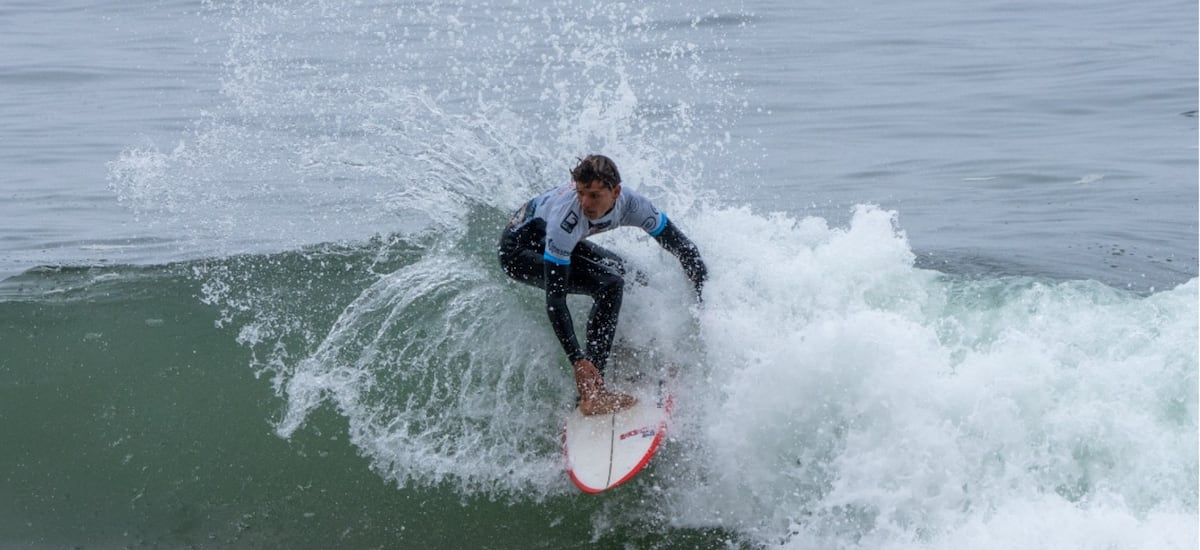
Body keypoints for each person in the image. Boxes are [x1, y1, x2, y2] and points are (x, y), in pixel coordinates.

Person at [498, 154, 707, 415]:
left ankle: (605, 343)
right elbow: (555, 300)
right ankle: (592, 394)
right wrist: (577, 359)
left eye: (594, 195)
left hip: (545, 237)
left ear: (615, 192)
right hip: (519, 250)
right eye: (581, 193)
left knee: (627, 271)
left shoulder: (634, 206)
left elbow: (684, 248)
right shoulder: (567, 221)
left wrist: (704, 300)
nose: (585, 202)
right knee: (609, 284)